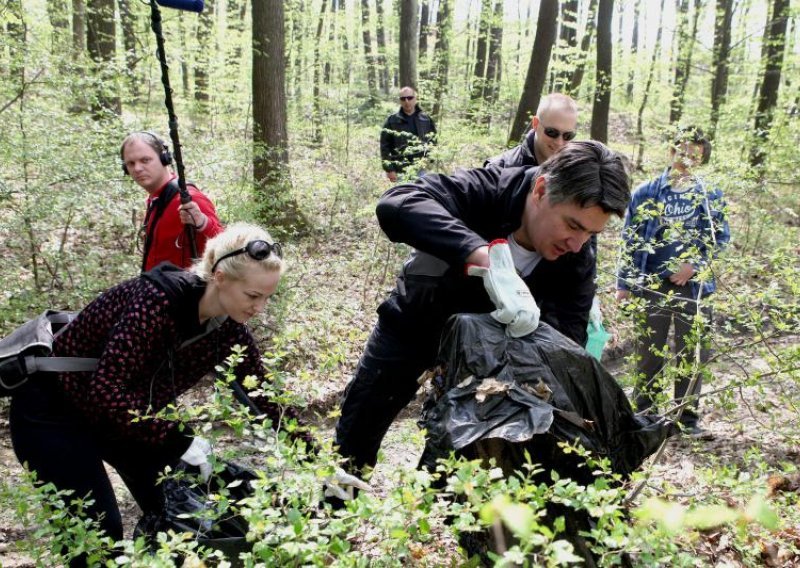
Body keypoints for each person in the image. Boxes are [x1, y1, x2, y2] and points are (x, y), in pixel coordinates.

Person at [9, 223, 308, 565]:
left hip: (123, 417)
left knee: (187, 508)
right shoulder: (156, 302)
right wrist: (180, 440)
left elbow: (267, 400)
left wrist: (321, 463)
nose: (259, 308)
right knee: (98, 531)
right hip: (51, 413)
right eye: (253, 296)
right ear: (220, 276)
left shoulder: (228, 332)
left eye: (267, 297)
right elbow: (106, 390)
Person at [334, 141, 631, 474]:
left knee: (475, 465)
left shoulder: (578, 257)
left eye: (592, 233)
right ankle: (336, 510)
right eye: (573, 225)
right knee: (356, 439)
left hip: (489, 363)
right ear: (541, 189)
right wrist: (480, 255)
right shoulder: (490, 190)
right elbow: (397, 202)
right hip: (414, 328)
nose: (576, 243)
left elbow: (567, 344)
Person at [616, 126, 730, 439]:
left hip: (694, 287)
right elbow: (631, 239)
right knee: (649, 350)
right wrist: (623, 283)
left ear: (703, 157)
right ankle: (645, 414)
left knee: (692, 352)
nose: (688, 157)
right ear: (672, 150)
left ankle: (686, 418)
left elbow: (721, 236)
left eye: (695, 153)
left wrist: (693, 266)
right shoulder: (647, 191)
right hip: (651, 282)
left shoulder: (709, 194)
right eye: (683, 150)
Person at [120, 131, 222, 272]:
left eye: (145, 160)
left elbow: (226, 246)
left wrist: (202, 222)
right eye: (131, 163)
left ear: (164, 159)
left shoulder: (189, 199)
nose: (137, 168)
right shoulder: (155, 200)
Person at [485, 93, 578, 169]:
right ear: (535, 124)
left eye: (568, 136)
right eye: (552, 132)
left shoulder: (575, 173)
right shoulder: (500, 169)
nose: (559, 142)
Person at [379, 86, 437, 182]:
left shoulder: (425, 119)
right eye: (403, 98)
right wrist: (389, 169)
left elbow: (433, 141)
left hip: (421, 168)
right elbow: (385, 147)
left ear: (415, 99)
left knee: (422, 196)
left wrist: (430, 160)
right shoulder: (392, 121)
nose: (407, 101)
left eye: (410, 98)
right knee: (404, 196)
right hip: (400, 171)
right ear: (400, 101)